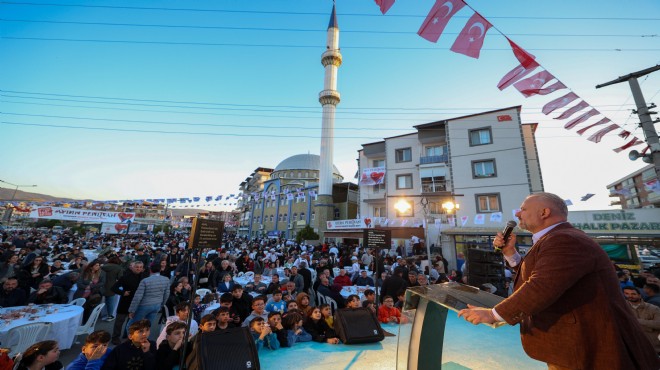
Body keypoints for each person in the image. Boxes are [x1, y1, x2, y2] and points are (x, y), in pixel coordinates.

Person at [457, 192, 659, 369]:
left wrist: (493, 314)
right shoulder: (555, 239)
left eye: (523, 209)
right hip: (579, 349)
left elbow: (543, 285)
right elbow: (543, 275)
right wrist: (510, 253)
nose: (517, 214)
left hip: (590, 350)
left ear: (544, 212)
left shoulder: (565, 239)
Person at [110, 261, 146, 345]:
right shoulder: (125, 277)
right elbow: (114, 288)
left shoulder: (144, 277)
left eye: (141, 267)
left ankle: (127, 336)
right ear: (132, 267)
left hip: (136, 303)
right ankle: (115, 337)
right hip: (125, 302)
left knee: (132, 322)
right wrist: (123, 293)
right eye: (137, 267)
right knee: (119, 321)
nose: (139, 269)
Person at [127, 262, 170, 329]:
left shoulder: (145, 281)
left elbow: (138, 297)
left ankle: (131, 338)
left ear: (150, 270)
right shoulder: (166, 280)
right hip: (157, 304)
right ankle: (144, 338)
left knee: (132, 324)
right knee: (148, 325)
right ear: (160, 270)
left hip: (144, 305)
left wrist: (132, 310)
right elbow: (166, 294)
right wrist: (161, 304)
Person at [623, 286, 660, 354]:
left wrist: (636, 321)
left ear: (639, 295)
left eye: (633, 294)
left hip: (653, 346)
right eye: (627, 293)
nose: (630, 296)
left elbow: (658, 324)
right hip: (632, 346)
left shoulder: (653, 308)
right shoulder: (623, 308)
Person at [101, 255, 123, 322]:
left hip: (100, 286)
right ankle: (110, 315)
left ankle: (95, 315)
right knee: (110, 302)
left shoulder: (102, 267)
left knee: (98, 301)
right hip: (111, 286)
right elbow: (120, 279)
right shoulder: (119, 268)